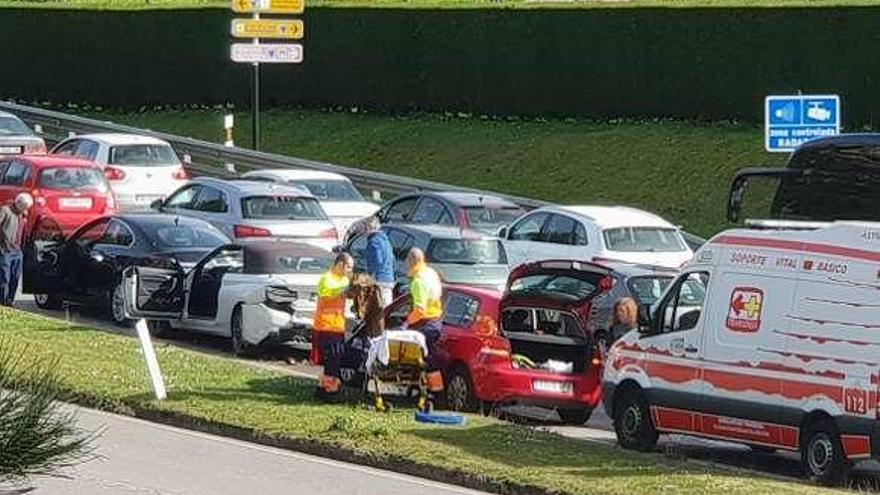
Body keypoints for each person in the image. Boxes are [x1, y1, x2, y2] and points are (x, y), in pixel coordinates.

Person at [402, 248, 445, 394]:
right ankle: (433, 390)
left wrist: (406, 323)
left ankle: (425, 390)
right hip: (436, 320)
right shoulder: (431, 273)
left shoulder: (418, 281)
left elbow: (420, 309)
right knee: (429, 356)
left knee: (416, 355)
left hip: (425, 322)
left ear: (412, 261)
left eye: (408, 261)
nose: (407, 265)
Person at [312, 252, 354, 399]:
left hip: (338, 326)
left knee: (335, 359)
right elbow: (326, 294)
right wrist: (343, 290)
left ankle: (323, 389)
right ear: (340, 265)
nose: (350, 271)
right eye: (348, 267)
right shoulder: (326, 279)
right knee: (332, 359)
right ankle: (330, 391)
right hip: (326, 325)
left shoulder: (344, 280)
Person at [0, 193, 33, 306]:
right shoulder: (5, 211)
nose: (25, 209)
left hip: (18, 251)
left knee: (15, 277)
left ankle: (10, 300)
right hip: (5, 250)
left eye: (26, 207)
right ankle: (3, 302)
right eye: (23, 206)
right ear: (17, 203)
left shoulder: (23, 214)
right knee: (4, 277)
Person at [363, 216, 395, 308]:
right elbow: (393, 260)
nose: (363, 231)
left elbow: (378, 260)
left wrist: (371, 277)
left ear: (369, 227)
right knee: (386, 310)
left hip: (379, 280)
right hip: (389, 279)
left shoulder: (373, 242)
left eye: (365, 228)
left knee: (378, 312)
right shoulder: (386, 241)